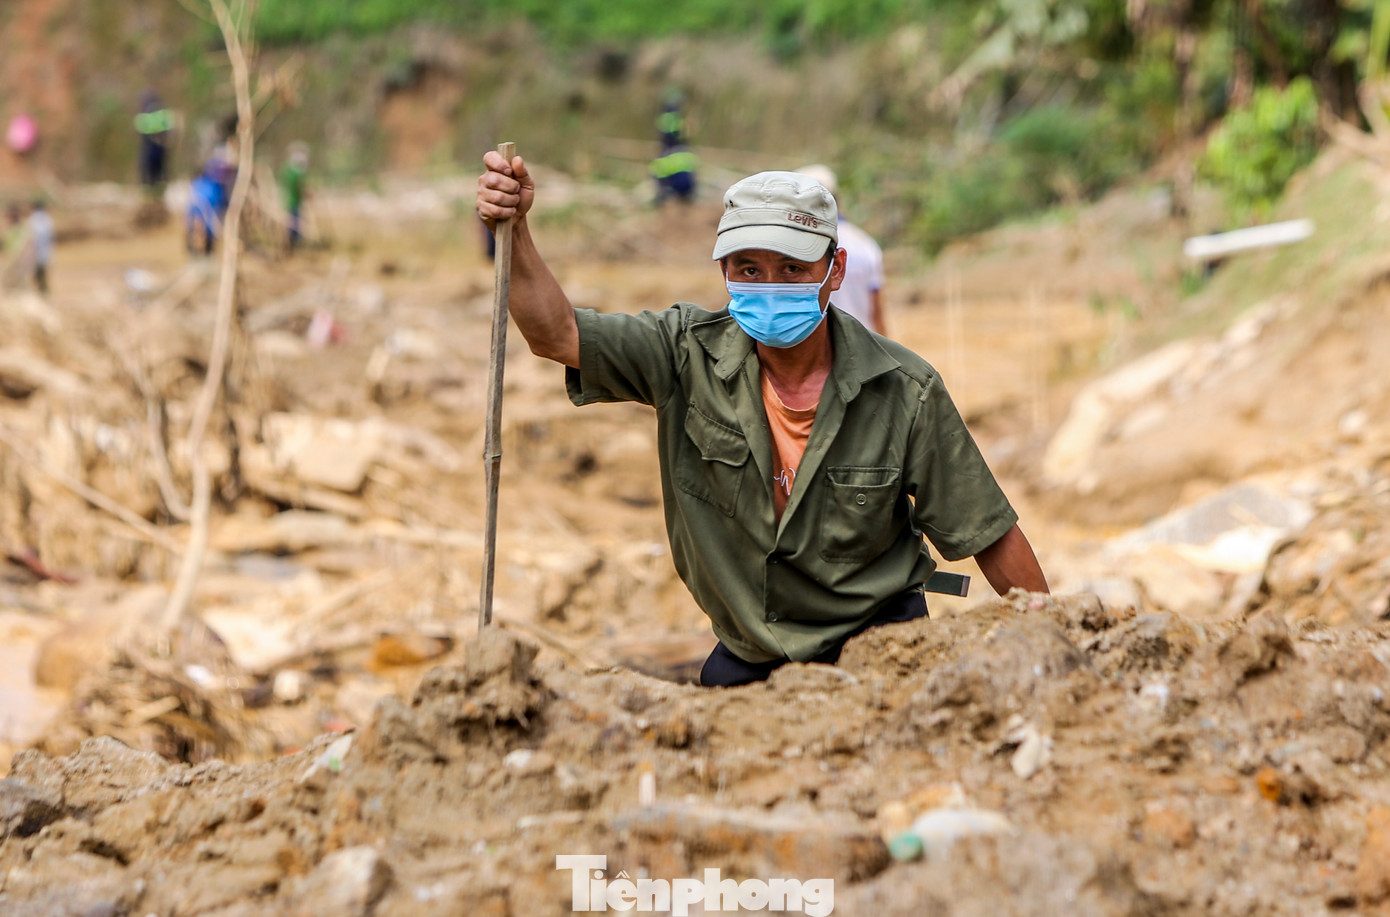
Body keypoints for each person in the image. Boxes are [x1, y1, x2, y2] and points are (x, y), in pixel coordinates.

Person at [476, 157, 1049, 687]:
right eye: (749, 268)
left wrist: (1054, 644)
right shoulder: (682, 355)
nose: (770, 285)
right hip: (750, 652)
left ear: (835, 269)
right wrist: (516, 230)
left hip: (882, 653)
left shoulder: (904, 388)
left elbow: (988, 534)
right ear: (724, 267)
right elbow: (556, 335)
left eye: (793, 268)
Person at [797, 164, 887, 335]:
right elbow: (876, 312)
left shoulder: (795, 246)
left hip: (816, 350)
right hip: (863, 345)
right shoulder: (864, 244)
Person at [134, 90, 174, 194]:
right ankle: (159, 192)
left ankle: (148, 192)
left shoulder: (144, 114)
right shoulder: (162, 112)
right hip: (161, 145)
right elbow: (169, 128)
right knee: (160, 170)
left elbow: (141, 131)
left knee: (147, 170)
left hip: (149, 146)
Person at [280, 142, 309, 253]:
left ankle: (292, 244)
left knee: (293, 224)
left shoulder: (288, 172)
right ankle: (292, 244)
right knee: (294, 225)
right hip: (292, 202)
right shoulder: (294, 174)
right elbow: (299, 189)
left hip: (291, 202)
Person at [27, 200, 53, 295]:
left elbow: (30, 237)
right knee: (42, 274)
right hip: (45, 252)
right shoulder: (47, 219)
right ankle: (43, 292)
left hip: (36, 252)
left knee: (37, 275)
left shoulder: (33, 219)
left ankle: (41, 292)